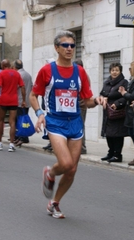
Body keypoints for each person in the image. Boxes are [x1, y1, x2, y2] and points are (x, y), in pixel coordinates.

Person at [29, 30, 103, 219]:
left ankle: (55, 203)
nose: (69, 49)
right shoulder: (47, 70)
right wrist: (39, 114)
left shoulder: (80, 72)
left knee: (72, 169)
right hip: (55, 121)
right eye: (65, 45)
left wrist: (98, 100)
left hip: (75, 122)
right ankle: (50, 173)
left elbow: (86, 100)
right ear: (57, 48)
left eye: (72, 46)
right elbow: (33, 95)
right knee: (66, 163)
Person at [0, 59, 25, 152]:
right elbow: (22, 87)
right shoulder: (17, 74)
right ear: (10, 65)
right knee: (12, 122)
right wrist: (24, 100)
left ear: (2, 65)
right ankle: (11, 144)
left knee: (1, 121)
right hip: (14, 100)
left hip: (4, 100)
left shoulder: (2, 74)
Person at [99, 62, 128, 163]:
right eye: (112, 70)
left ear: (120, 71)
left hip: (117, 112)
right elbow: (102, 93)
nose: (114, 72)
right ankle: (110, 152)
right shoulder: (107, 82)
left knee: (117, 134)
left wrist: (117, 103)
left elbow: (126, 97)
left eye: (117, 70)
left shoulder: (124, 82)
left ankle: (117, 155)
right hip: (107, 111)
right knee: (108, 133)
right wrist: (102, 98)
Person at [13, 59, 33, 145]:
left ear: (15, 67)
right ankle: (22, 136)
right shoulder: (28, 75)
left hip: (20, 100)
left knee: (20, 119)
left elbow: (16, 87)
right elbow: (31, 86)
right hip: (27, 100)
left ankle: (22, 137)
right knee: (24, 118)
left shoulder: (18, 75)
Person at [73, 58, 89, 155]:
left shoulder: (82, 76)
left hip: (81, 104)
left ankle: (82, 147)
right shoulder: (81, 75)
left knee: (80, 126)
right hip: (79, 104)